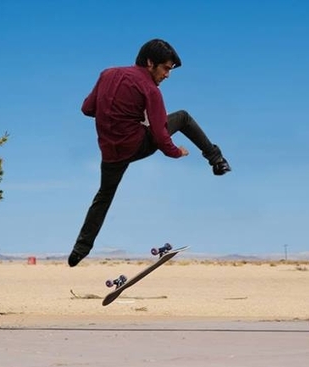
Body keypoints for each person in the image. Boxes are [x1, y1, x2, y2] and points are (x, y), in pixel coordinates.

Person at [68, 39, 231, 267]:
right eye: (165, 68)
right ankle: (217, 160)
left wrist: (115, 115)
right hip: (136, 145)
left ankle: (78, 251)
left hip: (110, 152)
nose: (167, 75)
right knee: (182, 117)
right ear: (149, 62)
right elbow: (161, 136)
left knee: (103, 197)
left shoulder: (107, 74)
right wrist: (177, 152)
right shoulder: (150, 91)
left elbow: (87, 108)